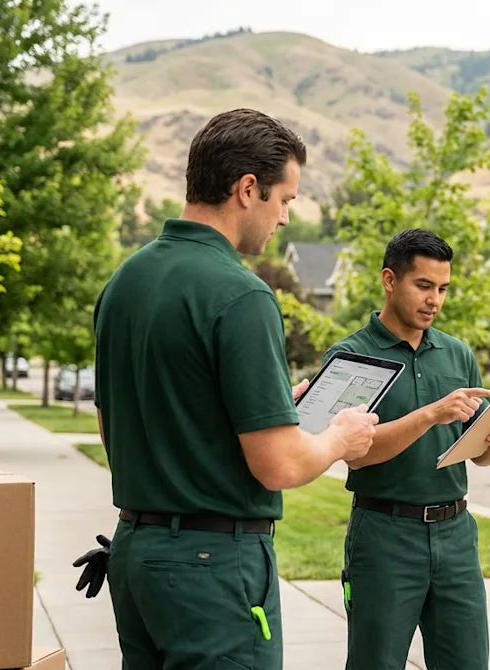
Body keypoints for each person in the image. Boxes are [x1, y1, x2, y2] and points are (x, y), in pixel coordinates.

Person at [77, 108, 379, 670]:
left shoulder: (124, 282)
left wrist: (264, 402)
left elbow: (115, 423)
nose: (286, 218)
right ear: (247, 189)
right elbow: (279, 466)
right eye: (285, 200)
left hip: (136, 556)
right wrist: (341, 435)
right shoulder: (241, 295)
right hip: (213, 566)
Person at [322, 228, 490, 670]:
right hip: (384, 535)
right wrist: (431, 414)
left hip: (456, 534)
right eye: (424, 286)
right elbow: (354, 453)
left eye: (443, 289)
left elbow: (478, 452)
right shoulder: (352, 357)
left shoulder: (456, 354)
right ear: (390, 280)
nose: (435, 300)